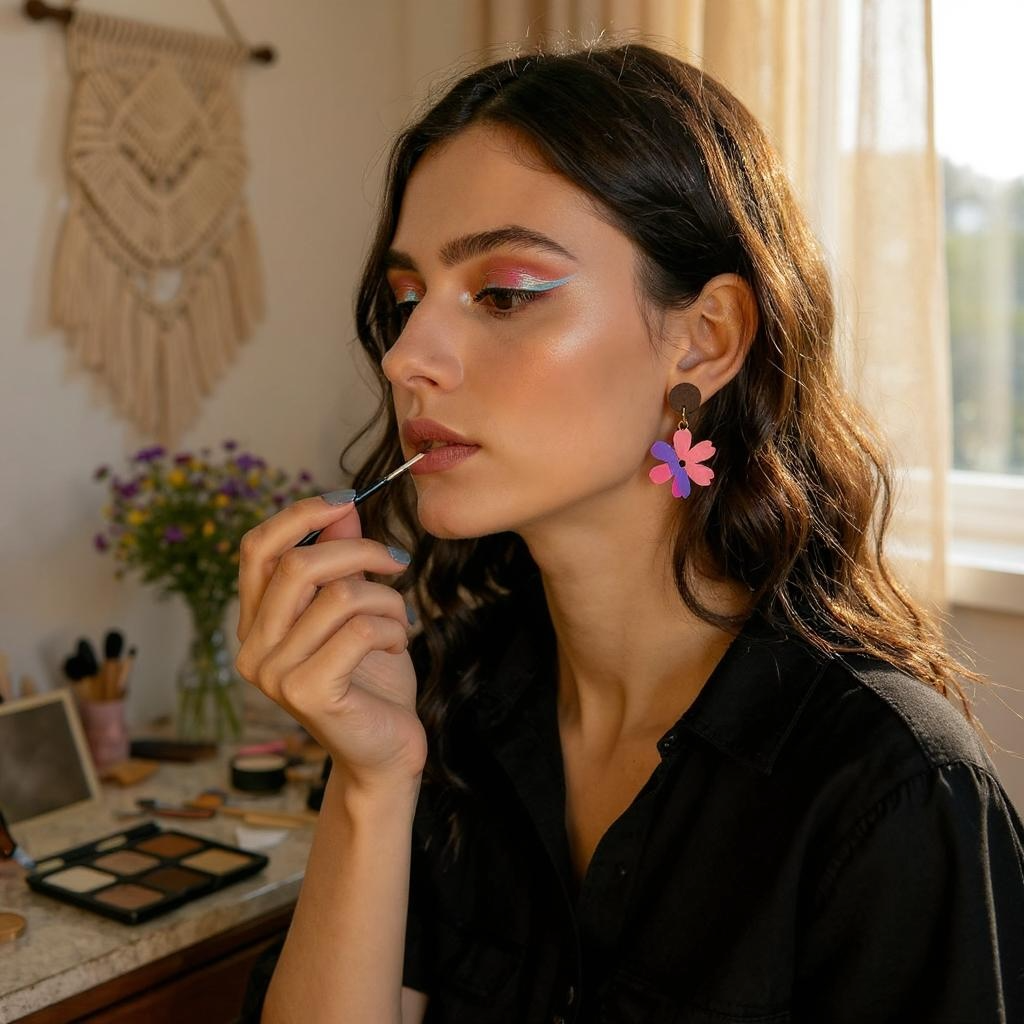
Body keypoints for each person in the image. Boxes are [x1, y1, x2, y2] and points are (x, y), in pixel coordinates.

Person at [235, 38, 1024, 1024]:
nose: (407, 360)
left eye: (504, 293)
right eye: (403, 302)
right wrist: (369, 784)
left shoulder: (889, 791)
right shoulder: (442, 707)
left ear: (704, 340)